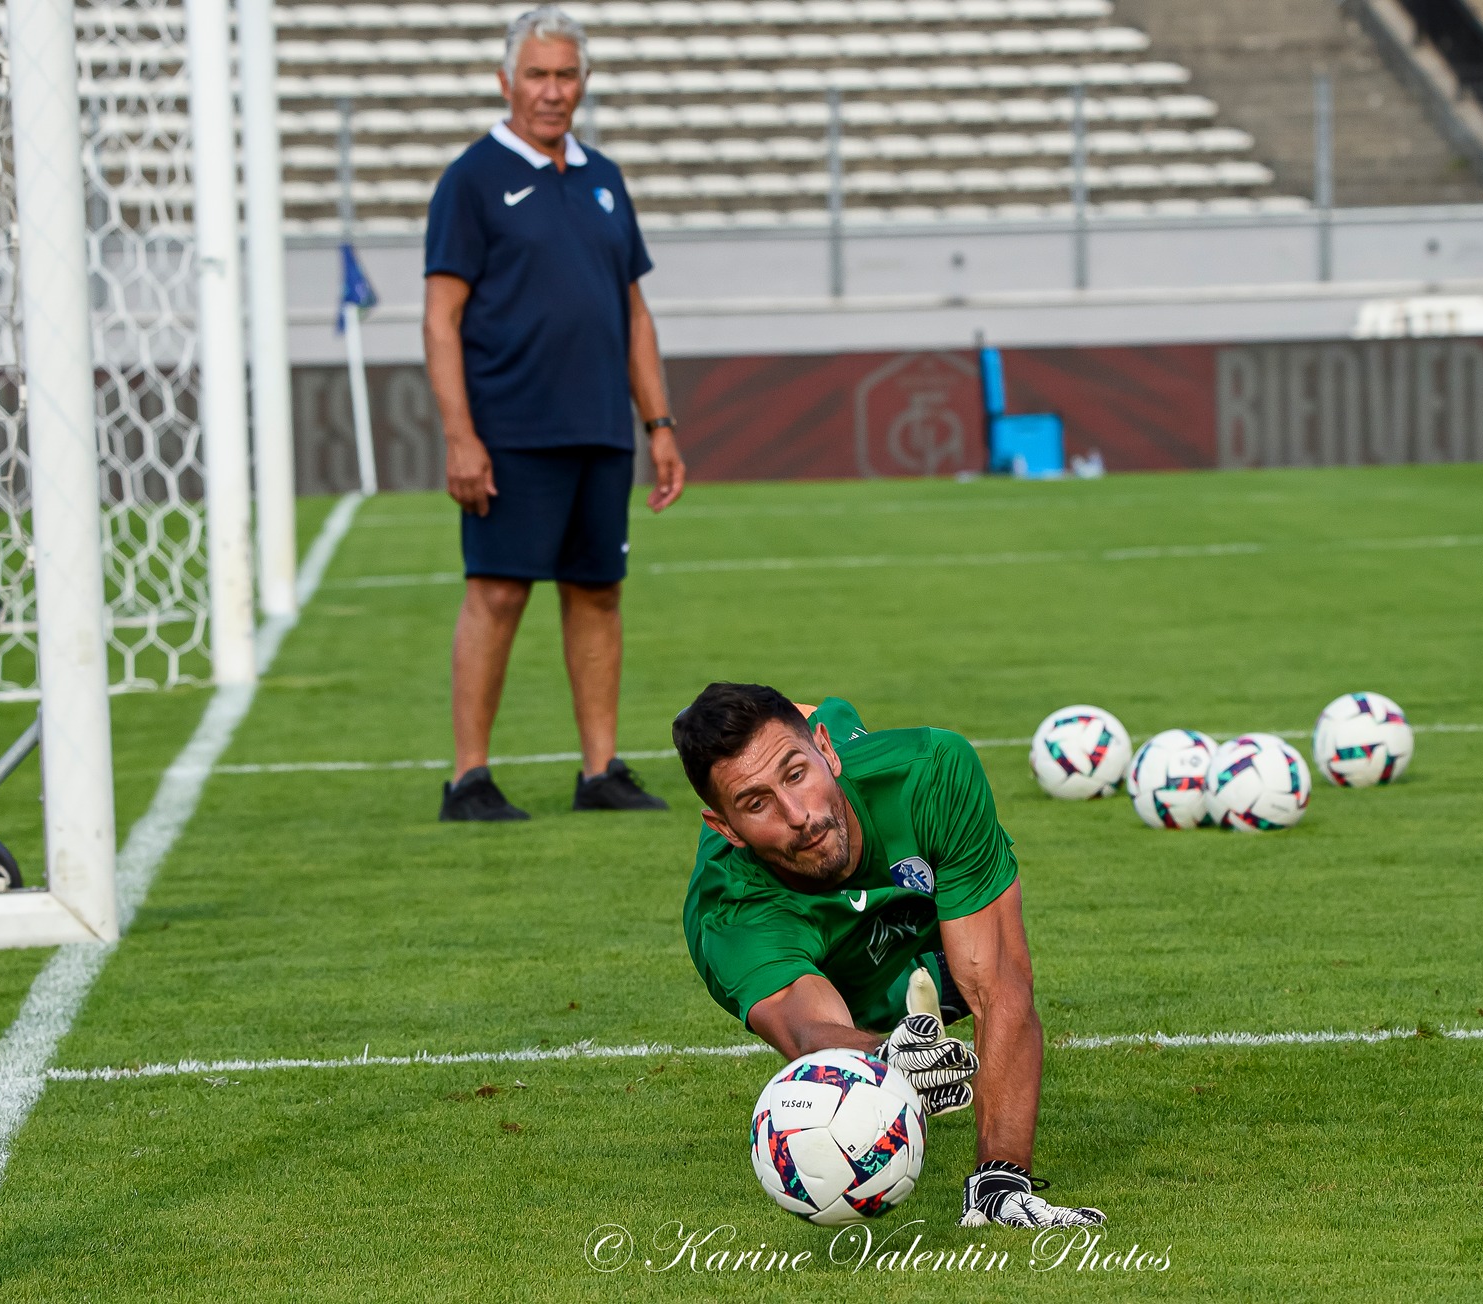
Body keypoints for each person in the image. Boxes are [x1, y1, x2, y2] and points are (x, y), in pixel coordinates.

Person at [673, 682, 1106, 1229]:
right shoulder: (730, 913)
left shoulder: (932, 771)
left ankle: (820, 722)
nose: (798, 815)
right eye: (756, 804)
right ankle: (803, 745)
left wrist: (1001, 1178)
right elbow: (811, 1034)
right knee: (873, 1022)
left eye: (796, 773)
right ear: (725, 828)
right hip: (826, 964)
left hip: (901, 893)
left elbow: (999, 982)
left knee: (972, 963)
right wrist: (890, 1054)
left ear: (825, 751)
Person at [424, 6, 686, 822]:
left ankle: (599, 770)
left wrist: (660, 424)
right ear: (506, 82)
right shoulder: (470, 179)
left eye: (565, 75)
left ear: (584, 82)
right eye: (536, 75)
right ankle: (469, 778)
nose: (551, 90)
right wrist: (460, 436)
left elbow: (634, 312)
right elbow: (441, 318)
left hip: (603, 427)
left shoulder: (605, 178)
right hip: (510, 433)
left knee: (598, 592)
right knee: (498, 594)